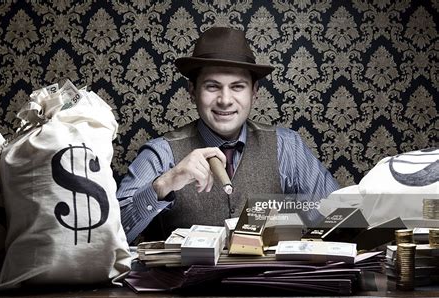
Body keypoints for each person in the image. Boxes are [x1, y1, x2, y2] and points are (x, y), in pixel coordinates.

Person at [117, 27, 339, 244]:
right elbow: (112, 236)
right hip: (187, 281)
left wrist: (294, 213)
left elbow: (342, 220)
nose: (225, 100)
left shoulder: (287, 146)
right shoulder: (160, 153)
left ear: (254, 92)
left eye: (237, 87)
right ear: (193, 91)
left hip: (269, 281)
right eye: (212, 87)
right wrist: (165, 183)